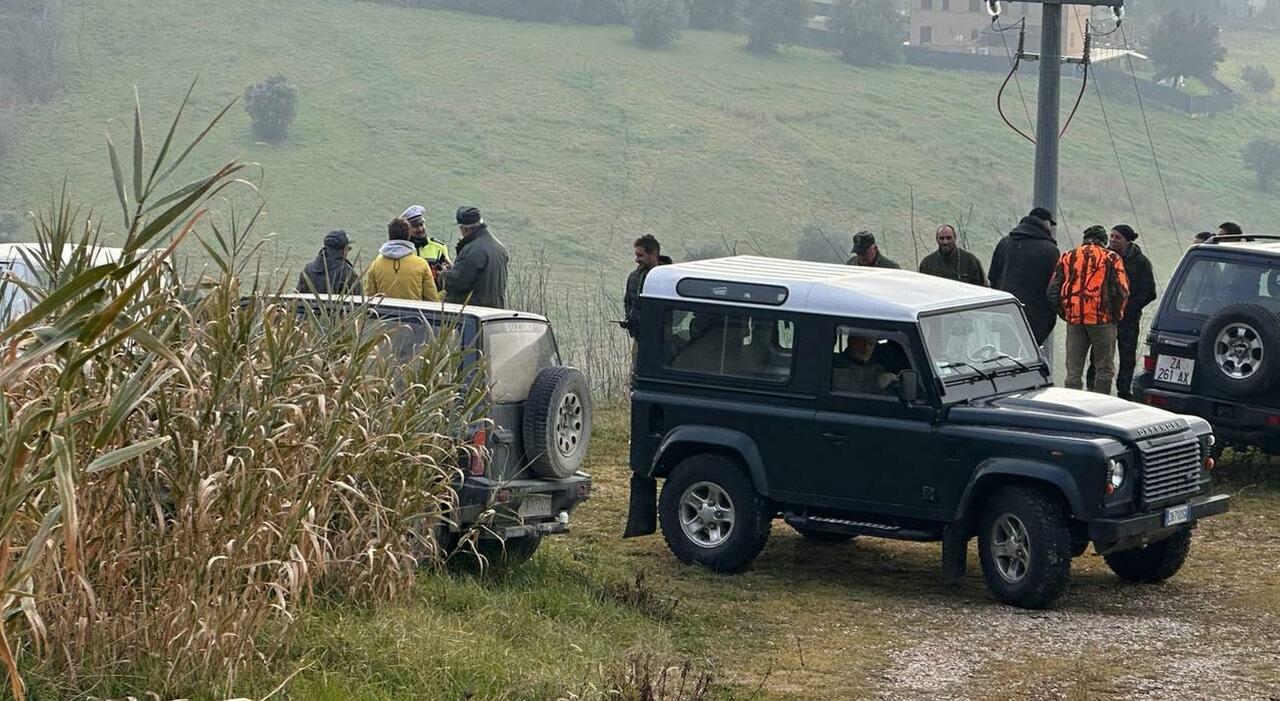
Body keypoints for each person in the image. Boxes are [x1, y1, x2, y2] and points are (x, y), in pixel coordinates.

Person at [1047, 226, 1130, 394]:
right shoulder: (1111, 258)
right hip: (1103, 320)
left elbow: (1052, 290)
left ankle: (1072, 407)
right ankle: (1099, 406)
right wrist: (1116, 315)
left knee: (1073, 371)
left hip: (1075, 320)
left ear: (1085, 238)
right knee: (1104, 369)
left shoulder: (1068, 256)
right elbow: (1123, 290)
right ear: (1103, 240)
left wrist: (1066, 312)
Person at [989, 207, 1061, 346]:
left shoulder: (1005, 242)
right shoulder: (1050, 250)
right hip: (1036, 316)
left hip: (1005, 310)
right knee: (1030, 355)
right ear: (1045, 223)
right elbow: (1054, 287)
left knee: (1006, 352)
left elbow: (993, 276)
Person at [1105, 224, 1157, 400]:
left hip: (1128, 319)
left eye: (1117, 237)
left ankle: (1124, 392)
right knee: (1101, 356)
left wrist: (1128, 308)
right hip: (1105, 318)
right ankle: (1096, 389)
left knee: (1127, 357)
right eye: (1111, 236)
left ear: (1128, 240)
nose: (1112, 240)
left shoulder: (1140, 262)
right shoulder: (1104, 258)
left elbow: (1149, 292)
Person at [439, 206, 509, 308]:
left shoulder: (473, 250)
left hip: (472, 314)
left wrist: (442, 275)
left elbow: (458, 282)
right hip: (494, 313)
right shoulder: (499, 248)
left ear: (465, 229)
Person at [363, 217, 441, 301]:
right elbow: (432, 299)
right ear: (408, 235)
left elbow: (369, 298)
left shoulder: (376, 265)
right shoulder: (421, 264)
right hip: (414, 313)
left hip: (384, 313)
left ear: (390, 235)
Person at [622, 234, 672, 339]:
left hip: (662, 341)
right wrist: (629, 320)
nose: (636, 259)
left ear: (653, 254)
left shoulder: (670, 279)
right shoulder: (633, 278)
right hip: (639, 339)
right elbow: (628, 302)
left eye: (640, 255)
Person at [297, 229, 362, 295]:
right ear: (343, 250)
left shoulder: (307, 270)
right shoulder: (347, 273)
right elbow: (357, 301)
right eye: (348, 249)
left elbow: (296, 299)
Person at [918, 224, 987, 286]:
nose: (945, 242)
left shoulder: (970, 261)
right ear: (937, 239)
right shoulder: (927, 263)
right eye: (941, 238)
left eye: (949, 238)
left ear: (955, 238)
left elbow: (982, 287)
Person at [831, 334, 897, 394]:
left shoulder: (878, 369)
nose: (866, 348)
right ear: (851, 342)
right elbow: (843, 389)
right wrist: (875, 383)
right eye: (861, 343)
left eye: (871, 344)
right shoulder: (835, 364)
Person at [401, 205, 452, 278]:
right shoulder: (402, 249)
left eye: (421, 224)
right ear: (407, 229)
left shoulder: (439, 248)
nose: (420, 229)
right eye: (415, 226)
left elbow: (450, 273)